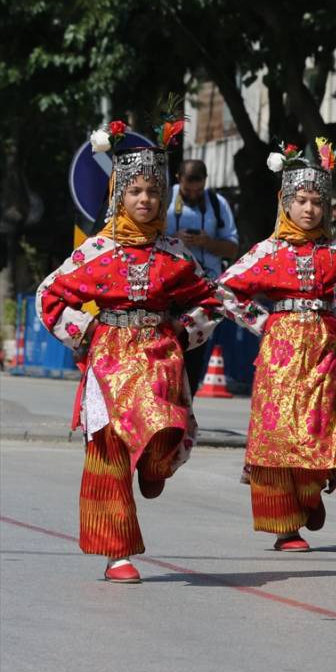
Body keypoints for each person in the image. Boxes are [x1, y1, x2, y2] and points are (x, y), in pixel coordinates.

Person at [35, 118, 219, 583]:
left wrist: (182, 330)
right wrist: (87, 329)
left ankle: (155, 462)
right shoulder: (96, 251)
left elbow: (210, 300)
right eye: (135, 191)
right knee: (108, 450)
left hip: (159, 355)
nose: (145, 199)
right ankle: (117, 551)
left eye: (153, 192)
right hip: (108, 358)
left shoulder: (175, 253)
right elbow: (48, 296)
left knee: (165, 426)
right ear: (119, 194)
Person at [215, 140, 336, 552]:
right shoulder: (268, 251)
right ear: (285, 203)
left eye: (318, 201)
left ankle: (309, 495)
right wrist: (264, 323)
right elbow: (225, 291)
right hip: (280, 353)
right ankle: (285, 526)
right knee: (279, 432)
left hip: (324, 352)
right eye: (301, 200)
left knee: (318, 426)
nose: (310, 209)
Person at [165, 159, 239, 392]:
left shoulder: (218, 204)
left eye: (199, 189)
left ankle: (187, 407)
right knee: (168, 348)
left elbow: (232, 248)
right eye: (189, 190)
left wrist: (209, 243)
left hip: (204, 290)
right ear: (178, 178)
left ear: (206, 181)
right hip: (170, 287)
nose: (194, 194)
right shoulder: (164, 198)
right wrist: (173, 239)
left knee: (195, 352)